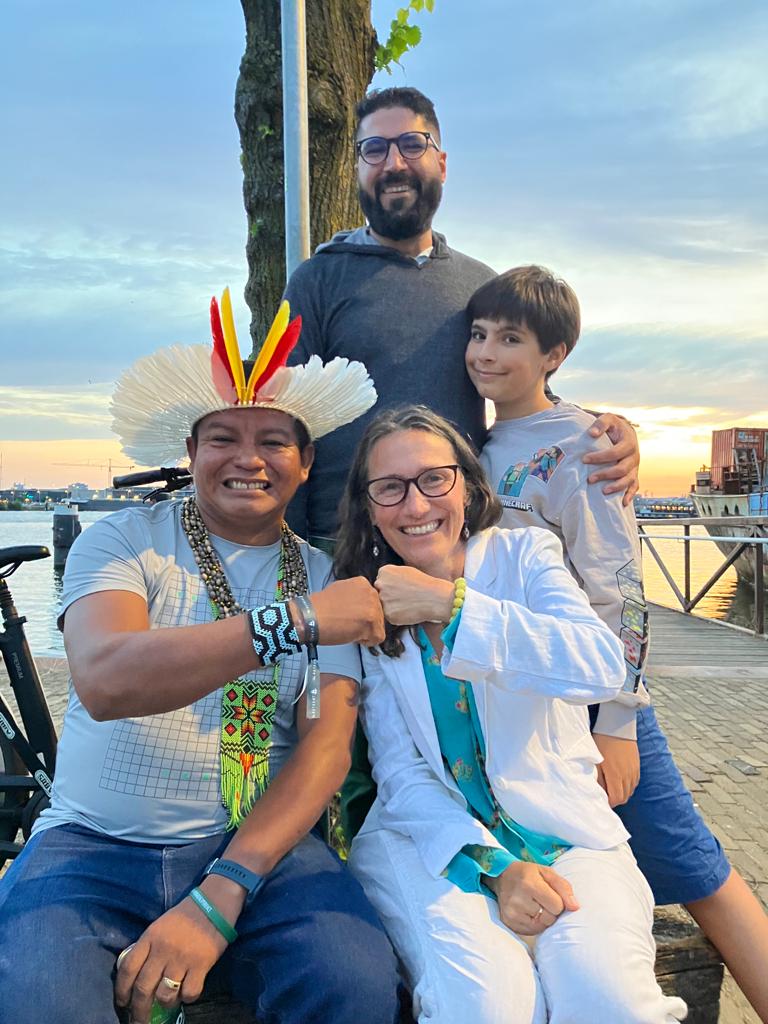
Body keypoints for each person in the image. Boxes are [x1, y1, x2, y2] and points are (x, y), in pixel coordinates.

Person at [0, 290, 401, 1024]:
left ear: (306, 462)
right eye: (222, 438)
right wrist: (295, 622)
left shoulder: (323, 578)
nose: (248, 459)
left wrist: (223, 892)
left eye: (274, 441)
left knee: (354, 982)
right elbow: (106, 679)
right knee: (37, 1002)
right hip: (93, 842)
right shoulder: (123, 540)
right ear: (190, 454)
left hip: (257, 847)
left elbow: (325, 750)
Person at [283, 84, 641, 839]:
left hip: (455, 548)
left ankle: (487, 862)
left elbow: (519, 382)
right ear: (357, 167)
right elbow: (288, 416)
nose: (393, 162)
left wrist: (603, 430)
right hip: (342, 546)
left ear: (440, 160)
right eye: (374, 149)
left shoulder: (476, 283)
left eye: (410, 144)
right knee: (349, 753)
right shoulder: (320, 278)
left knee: (459, 739)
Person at [466, 264, 768, 1022]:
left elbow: (622, 595)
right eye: (479, 334)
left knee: (697, 870)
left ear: (554, 355)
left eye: (510, 339)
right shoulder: (478, 440)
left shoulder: (582, 445)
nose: (486, 352)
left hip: (594, 698)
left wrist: (620, 724)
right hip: (518, 699)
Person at [333, 405, 687, 1024]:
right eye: (389, 488)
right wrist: (496, 869)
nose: (415, 505)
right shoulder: (369, 605)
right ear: (369, 508)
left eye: (434, 479)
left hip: (565, 834)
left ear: (468, 488)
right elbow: (402, 773)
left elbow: (599, 664)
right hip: (435, 844)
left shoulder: (526, 555)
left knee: (610, 1002)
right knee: (485, 1006)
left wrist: (451, 605)